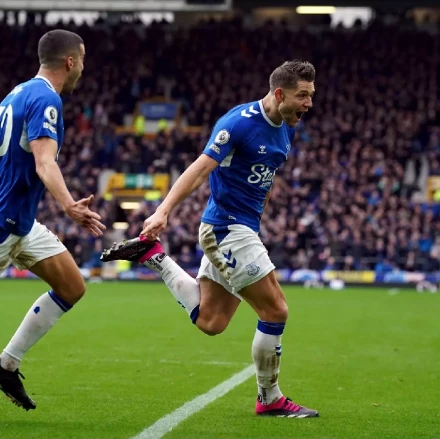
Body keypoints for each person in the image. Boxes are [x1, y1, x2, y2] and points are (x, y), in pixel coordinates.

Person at [101, 60, 318, 418]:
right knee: (276, 308)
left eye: (311, 95)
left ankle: (154, 256)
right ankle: (270, 398)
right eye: (303, 96)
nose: (309, 104)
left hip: (241, 227)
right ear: (279, 94)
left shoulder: (287, 126)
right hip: (227, 228)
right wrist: (163, 211)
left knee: (212, 322)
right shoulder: (238, 123)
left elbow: (259, 176)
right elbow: (201, 168)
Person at [0, 30, 106, 411]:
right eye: (83, 58)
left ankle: (6, 364)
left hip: (22, 224)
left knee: (72, 285)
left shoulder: (17, 92)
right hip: (4, 222)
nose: (83, 67)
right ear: (70, 61)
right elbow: (45, 163)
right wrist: (69, 206)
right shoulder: (47, 98)